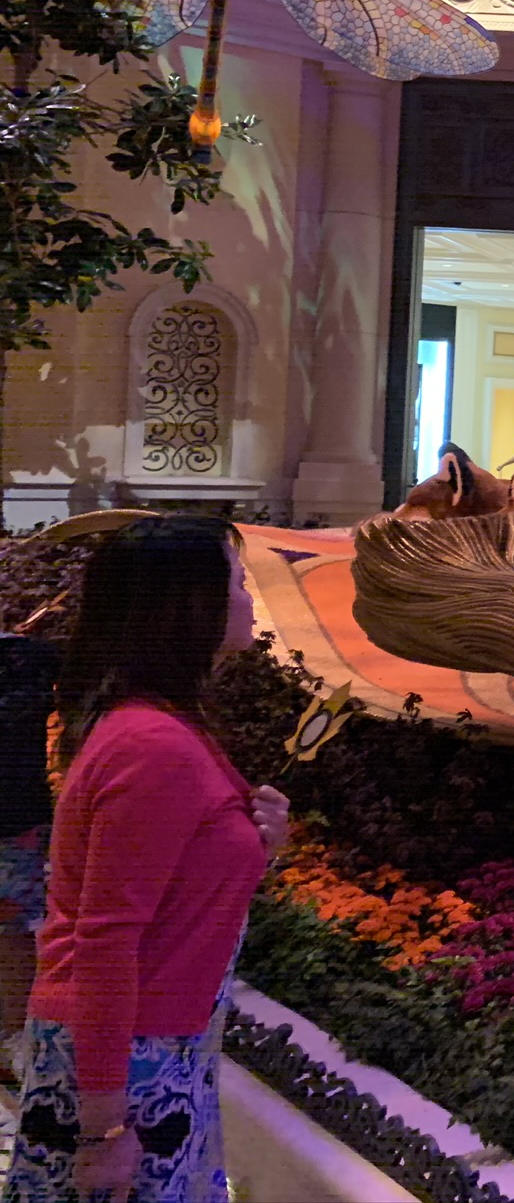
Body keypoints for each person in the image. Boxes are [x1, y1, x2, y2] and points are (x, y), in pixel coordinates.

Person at [4, 515, 291, 1203]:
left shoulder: (167, 724)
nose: (250, 599)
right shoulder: (152, 745)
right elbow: (105, 941)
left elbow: (175, 891)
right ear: (189, 606)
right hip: (126, 1066)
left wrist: (260, 846)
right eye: (238, 582)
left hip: (154, 1050)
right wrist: (103, 1130)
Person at [0, 629, 61, 1051]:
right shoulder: (30, 659)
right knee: (12, 929)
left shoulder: (28, 658)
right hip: (17, 818)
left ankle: (12, 1035)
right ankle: (12, 1036)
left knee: (13, 928)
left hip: (14, 821)